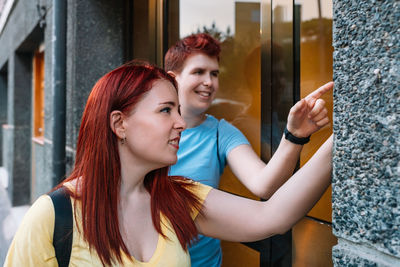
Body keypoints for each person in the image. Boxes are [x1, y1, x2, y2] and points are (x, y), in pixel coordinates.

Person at [4, 61, 333, 267]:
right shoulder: (53, 216)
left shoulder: (177, 196)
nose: (180, 123)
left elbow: (272, 217)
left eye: (178, 110)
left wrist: (334, 137)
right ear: (120, 124)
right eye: (166, 110)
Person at [165, 33, 333, 266]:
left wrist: (295, 135)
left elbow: (264, 183)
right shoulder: (146, 133)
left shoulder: (221, 133)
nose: (209, 82)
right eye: (199, 72)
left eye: (214, 74)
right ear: (173, 80)